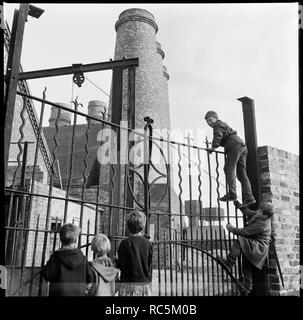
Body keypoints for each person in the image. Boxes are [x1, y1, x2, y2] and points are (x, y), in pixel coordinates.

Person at [217, 200, 273, 293]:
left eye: (260, 211)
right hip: (255, 245)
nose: (257, 211)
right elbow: (248, 212)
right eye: (258, 209)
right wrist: (238, 204)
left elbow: (244, 232)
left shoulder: (262, 224)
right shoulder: (260, 215)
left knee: (240, 241)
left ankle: (229, 263)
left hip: (258, 247)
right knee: (246, 263)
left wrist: (230, 228)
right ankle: (247, 286)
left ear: (265, 216)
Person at [204, 110, 255, 208]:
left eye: (210, 120)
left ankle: (232, 193)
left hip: (234, 145)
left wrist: (213, 147)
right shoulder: (222, 125)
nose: (209, 123)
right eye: (208, 122)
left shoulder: (218, 125)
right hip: (242, 145)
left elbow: (218, 135)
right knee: (241, 174)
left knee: (228, 169)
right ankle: (249, 197)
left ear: (216, 118)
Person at [41, 223, 94, 296]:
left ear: (61, 239)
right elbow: (90, 278)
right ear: (75, 240)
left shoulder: (56, 257)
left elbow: (47, 275)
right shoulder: (82, 258)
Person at [116, 210, 153, 296]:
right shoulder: (148, 243)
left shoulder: (124, 243)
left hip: (128, 283)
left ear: (128, 226)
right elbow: (149, 264)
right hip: (144, 284)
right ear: (142, 226)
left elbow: (122, 265)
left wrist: (116, 260)